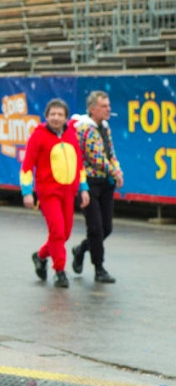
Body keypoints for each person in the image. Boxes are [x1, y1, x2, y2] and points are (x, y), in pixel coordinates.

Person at [22, 98, 90, 289]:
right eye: (52, 114)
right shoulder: (38, 136)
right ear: (46, 116)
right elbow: (26, 167)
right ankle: (60, 271)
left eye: (60, 114)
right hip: (48, 193)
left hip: (69, 193)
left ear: (66, 117)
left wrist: (84, 189)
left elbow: (79, 165)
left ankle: (41, 256)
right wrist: (27, 192)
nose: (56, 118)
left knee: (64, 233)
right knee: (58, 231)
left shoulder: (71, 135)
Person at [70, 90, 124, 283]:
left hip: (105, 184)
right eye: (104, 106)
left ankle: (81, 249)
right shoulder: (86, 128)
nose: (108, 109)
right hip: (89, 183)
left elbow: (111, 153)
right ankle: (99, 268)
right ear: (92, 109)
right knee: (96, 228)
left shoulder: (105, 127)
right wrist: (114, 172)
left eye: (109, 105)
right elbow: (97, 158)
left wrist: (118, 169)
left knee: (107, 228)